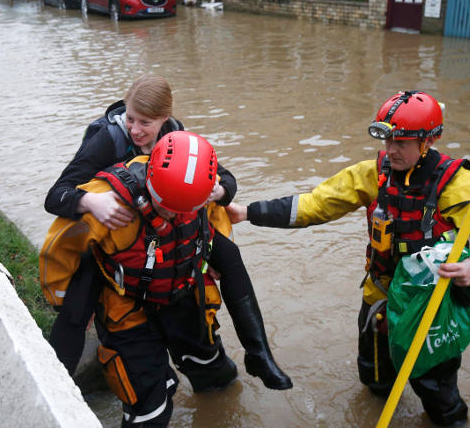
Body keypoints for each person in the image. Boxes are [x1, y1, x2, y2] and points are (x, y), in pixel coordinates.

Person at [226, 90, 470, 426]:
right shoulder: (373, 175)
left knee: (439, 395)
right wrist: (248, 212)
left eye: (402, 142)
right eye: (387, 140)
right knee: (374, 378)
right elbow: (316, 203)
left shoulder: (461, 186)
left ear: (429, 141)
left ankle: (450, 424)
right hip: (379, 295)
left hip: (429, 307)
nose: (391, 150)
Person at [44, 75, 291, 390]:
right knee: (79, 303)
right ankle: (54, 385)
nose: (135, 129)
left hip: (167, 229)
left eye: (145, 122)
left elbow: (226, 178)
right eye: (130, 118)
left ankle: (259, 353)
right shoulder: (108, 139)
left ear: (165, 119)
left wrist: (219, 191)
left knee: (228, 254)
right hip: (116, 233)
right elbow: (55, 196)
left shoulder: (178, 136)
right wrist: (89, 200)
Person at [40, 132, 267, 428]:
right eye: (167, 207)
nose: (173, 215)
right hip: (126, 308)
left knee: (214, 370)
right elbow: (59, 251)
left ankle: (218, 417)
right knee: (149, 405)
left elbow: (217, 226)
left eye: (182, 209)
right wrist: (65, 300)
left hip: (183, 293)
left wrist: (209, 255)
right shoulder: (108, 203)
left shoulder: (206, 190)